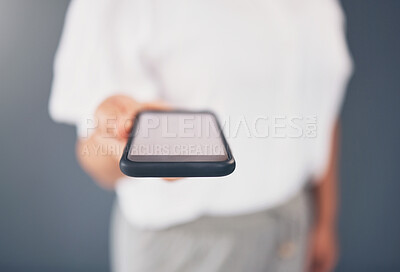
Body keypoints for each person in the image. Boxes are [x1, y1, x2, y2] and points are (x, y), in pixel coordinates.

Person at [49, 0, 352, 271]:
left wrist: (325, 221)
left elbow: (324, 113)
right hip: (188, 248)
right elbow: (92, 149)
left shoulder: (322, 6)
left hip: (294, 227)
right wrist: (119, 141)